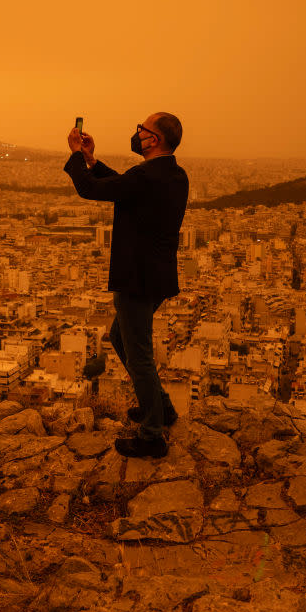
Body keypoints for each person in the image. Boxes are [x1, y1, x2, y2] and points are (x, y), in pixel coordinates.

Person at [65, 113, 189, 458]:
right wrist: (93, 160)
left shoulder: (146, 176)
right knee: (120, 337)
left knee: (140, 355)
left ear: (155, 140)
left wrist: (76, 155)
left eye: (142, 129)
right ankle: (160, 407)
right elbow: (124, 186)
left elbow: (90, 190)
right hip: (158, 277)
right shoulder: (174, 174)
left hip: (136, 278)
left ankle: (152, 433)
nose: (137, 133)